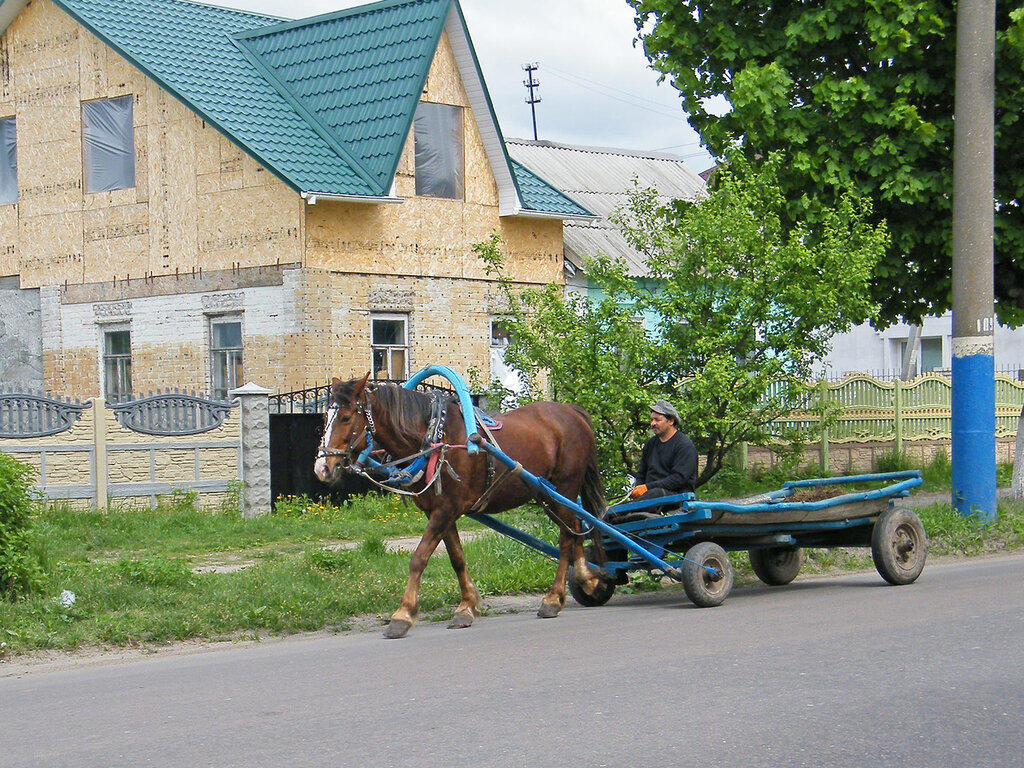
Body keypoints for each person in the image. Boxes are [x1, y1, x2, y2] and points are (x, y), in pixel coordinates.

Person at [630, 399, 697, 505]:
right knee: (614, 511)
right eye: (651, 419)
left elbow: (678, 479)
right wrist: (638, 489)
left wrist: (647, 487)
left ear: (671, 421)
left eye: (657, 420)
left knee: (654, 494)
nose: (653, 423)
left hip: (676, 497)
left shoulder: (684, 446)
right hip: (650, 496)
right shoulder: (650, 444)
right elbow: (642, 473)